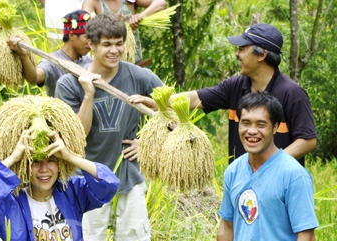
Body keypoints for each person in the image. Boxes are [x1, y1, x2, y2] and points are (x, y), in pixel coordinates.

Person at [55, 13, 163, 241]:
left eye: (119, 43)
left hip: (129, 176)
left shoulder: (139, 76)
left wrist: (147, 143)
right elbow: (76, 137)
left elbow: (172, 110)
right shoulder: (69, 83)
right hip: (86, 179)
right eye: (107, 44)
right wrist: (89, 95)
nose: (115, 50)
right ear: (91, 45)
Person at [130, 23, 317, 166]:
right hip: (243, 181)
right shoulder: (236, 85)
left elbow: (307, 140)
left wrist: (272, 166)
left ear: (261, 55)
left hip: (280, 185)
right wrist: (161, 103)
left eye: (242, 49)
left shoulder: (291, 93)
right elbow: (196, 98)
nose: (237, 54)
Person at [0, 129, 120, 241]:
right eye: (35, 161)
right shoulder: (7, 205)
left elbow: (109, 183)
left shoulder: (71, 192)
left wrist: (69, 156)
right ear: (24, 165)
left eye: (51, 160)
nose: (44, 169)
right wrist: (14, 157)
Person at [216, 92, 318, 241]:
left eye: (261, 124)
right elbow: (227, 225)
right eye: (245, 123)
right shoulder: (233, 171)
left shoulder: (294, 175)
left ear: (275, 127)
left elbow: (305, 236)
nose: (252, 131)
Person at [7, 10, 92, 97]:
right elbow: (35, 77)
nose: (91, 42)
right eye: (87, 37)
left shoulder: (89, 62)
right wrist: (24, 55)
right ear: (71, 35)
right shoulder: (52, 62)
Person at [82, 0, 167, 64]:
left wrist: (141, 16)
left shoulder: (130, 1)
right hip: (108, 63)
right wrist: (111, 21)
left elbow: (161, 3)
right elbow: (84, 23)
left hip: (135, 61)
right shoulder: (92, 2)